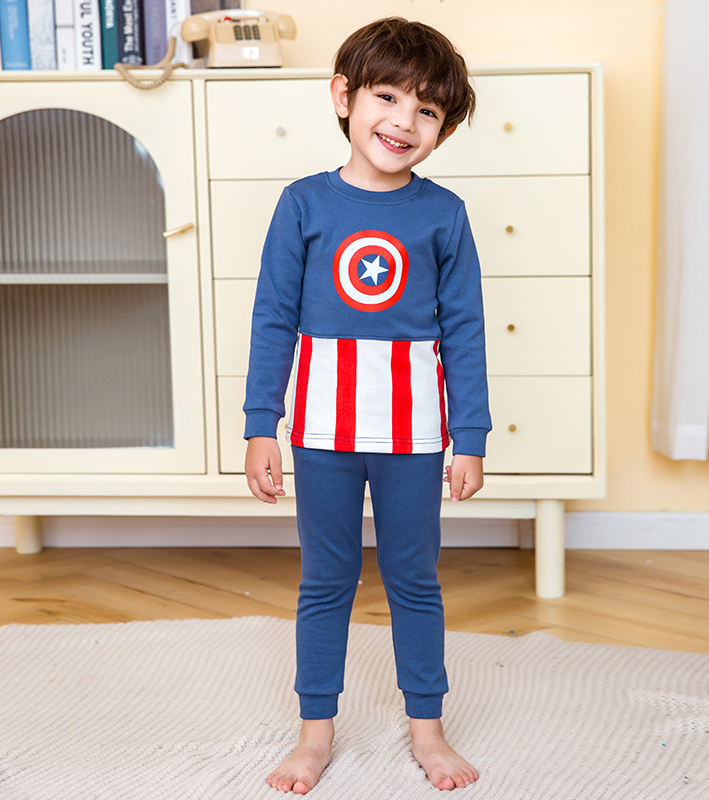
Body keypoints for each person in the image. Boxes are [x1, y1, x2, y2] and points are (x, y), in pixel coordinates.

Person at [243, 16, 491, 794]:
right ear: (344, 97)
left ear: (443, 132)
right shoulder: (303, 205)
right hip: (322, 431)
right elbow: (273, 318)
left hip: (415, 435)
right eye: (388, 97)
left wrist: (470, 436)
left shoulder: (443, 215)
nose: (404, 121)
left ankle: (428, 729)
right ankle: (315, 733)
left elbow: (465, 330)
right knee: (327, 578)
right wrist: (260, 426)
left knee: (415, 578)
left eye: (427, 110)